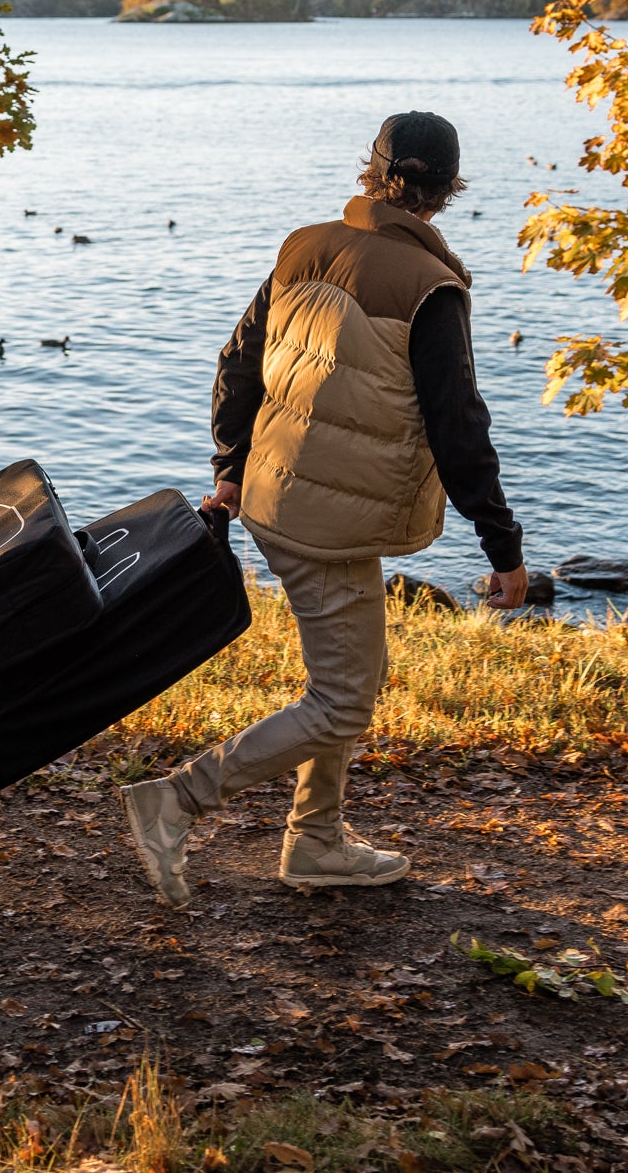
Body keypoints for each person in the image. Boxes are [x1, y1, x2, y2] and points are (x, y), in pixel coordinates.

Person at [122, 111, 528, 907]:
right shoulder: (432, 287)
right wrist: (503, 548)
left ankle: (315, 842)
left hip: (279, 492)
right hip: (329, 521)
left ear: (372, 174)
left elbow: (238, 359)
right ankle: (175, 801)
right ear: (448, 190)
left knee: (353, 674)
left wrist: (230, 469)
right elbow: (459, 426)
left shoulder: (305, 246)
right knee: (343, 697)